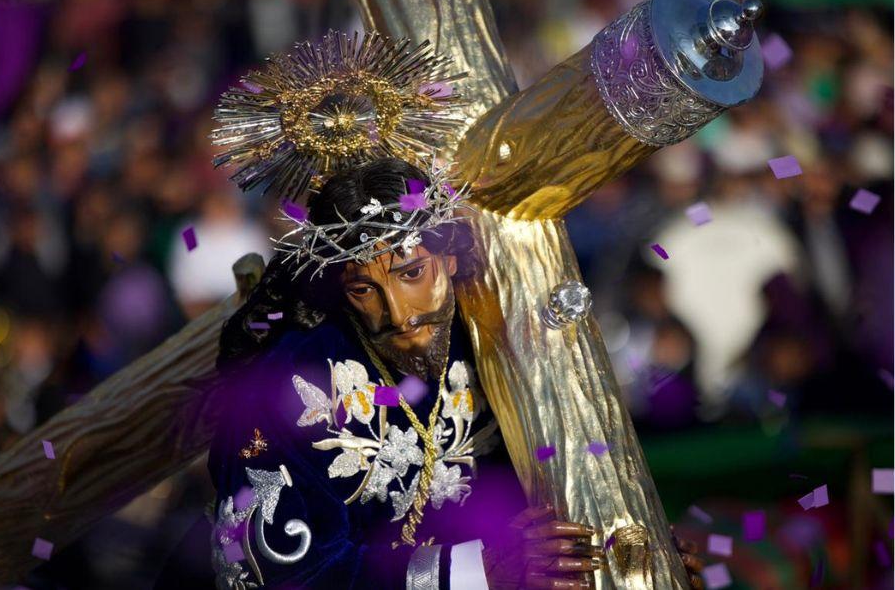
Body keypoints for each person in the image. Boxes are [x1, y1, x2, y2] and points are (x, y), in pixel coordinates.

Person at [207, 158, 704, 589]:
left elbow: (576, 484)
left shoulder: (501, 337)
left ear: (447, 257)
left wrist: (636, 555)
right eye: (364, 289)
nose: (398, 315)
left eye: (411, 273)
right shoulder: (290, 384)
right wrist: (476, 573)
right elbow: (279, 574)